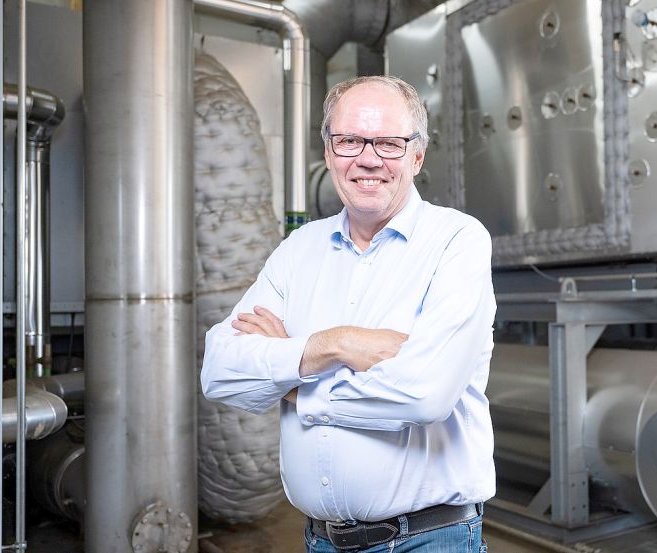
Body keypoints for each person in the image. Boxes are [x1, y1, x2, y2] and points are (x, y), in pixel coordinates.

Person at [201, 75, 496, 553]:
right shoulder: (299, 249)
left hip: (428, 541)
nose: (368, 158)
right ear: (328, 151)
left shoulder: (456, 242)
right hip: (322, 542)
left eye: (388, 143)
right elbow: (219, 370)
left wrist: (294, 383)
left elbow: (425, 395)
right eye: (349, 140)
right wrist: (332, 344)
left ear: (417, 155)